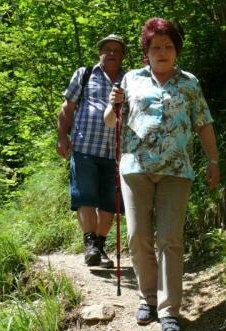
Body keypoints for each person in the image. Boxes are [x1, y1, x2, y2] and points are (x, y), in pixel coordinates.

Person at [104, 18, 220, 331]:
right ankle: (148, 299)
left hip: (176, 171)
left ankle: (169, 310)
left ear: (176, 50)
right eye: (156, 47)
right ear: (147, 51)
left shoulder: (189, 84)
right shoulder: (130, 80)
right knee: (138, 236)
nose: (163, 52)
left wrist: (213, 160)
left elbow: (204, 123)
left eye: (169, 46)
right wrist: (113, 107)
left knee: (170, 239)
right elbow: (111, 121)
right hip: (135, 168)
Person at [57, 34, 127, 268]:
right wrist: (62, 136)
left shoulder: (130, 80)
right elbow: (68, 107)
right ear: (99, 53)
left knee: (110, 202)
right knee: (85, 196)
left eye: (117, 50)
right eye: (107, 49)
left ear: (123, 56)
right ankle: (90, 245)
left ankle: (99, 246)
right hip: (85, 145)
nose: (111, 53)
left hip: (117, 152)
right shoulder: (85, 74)